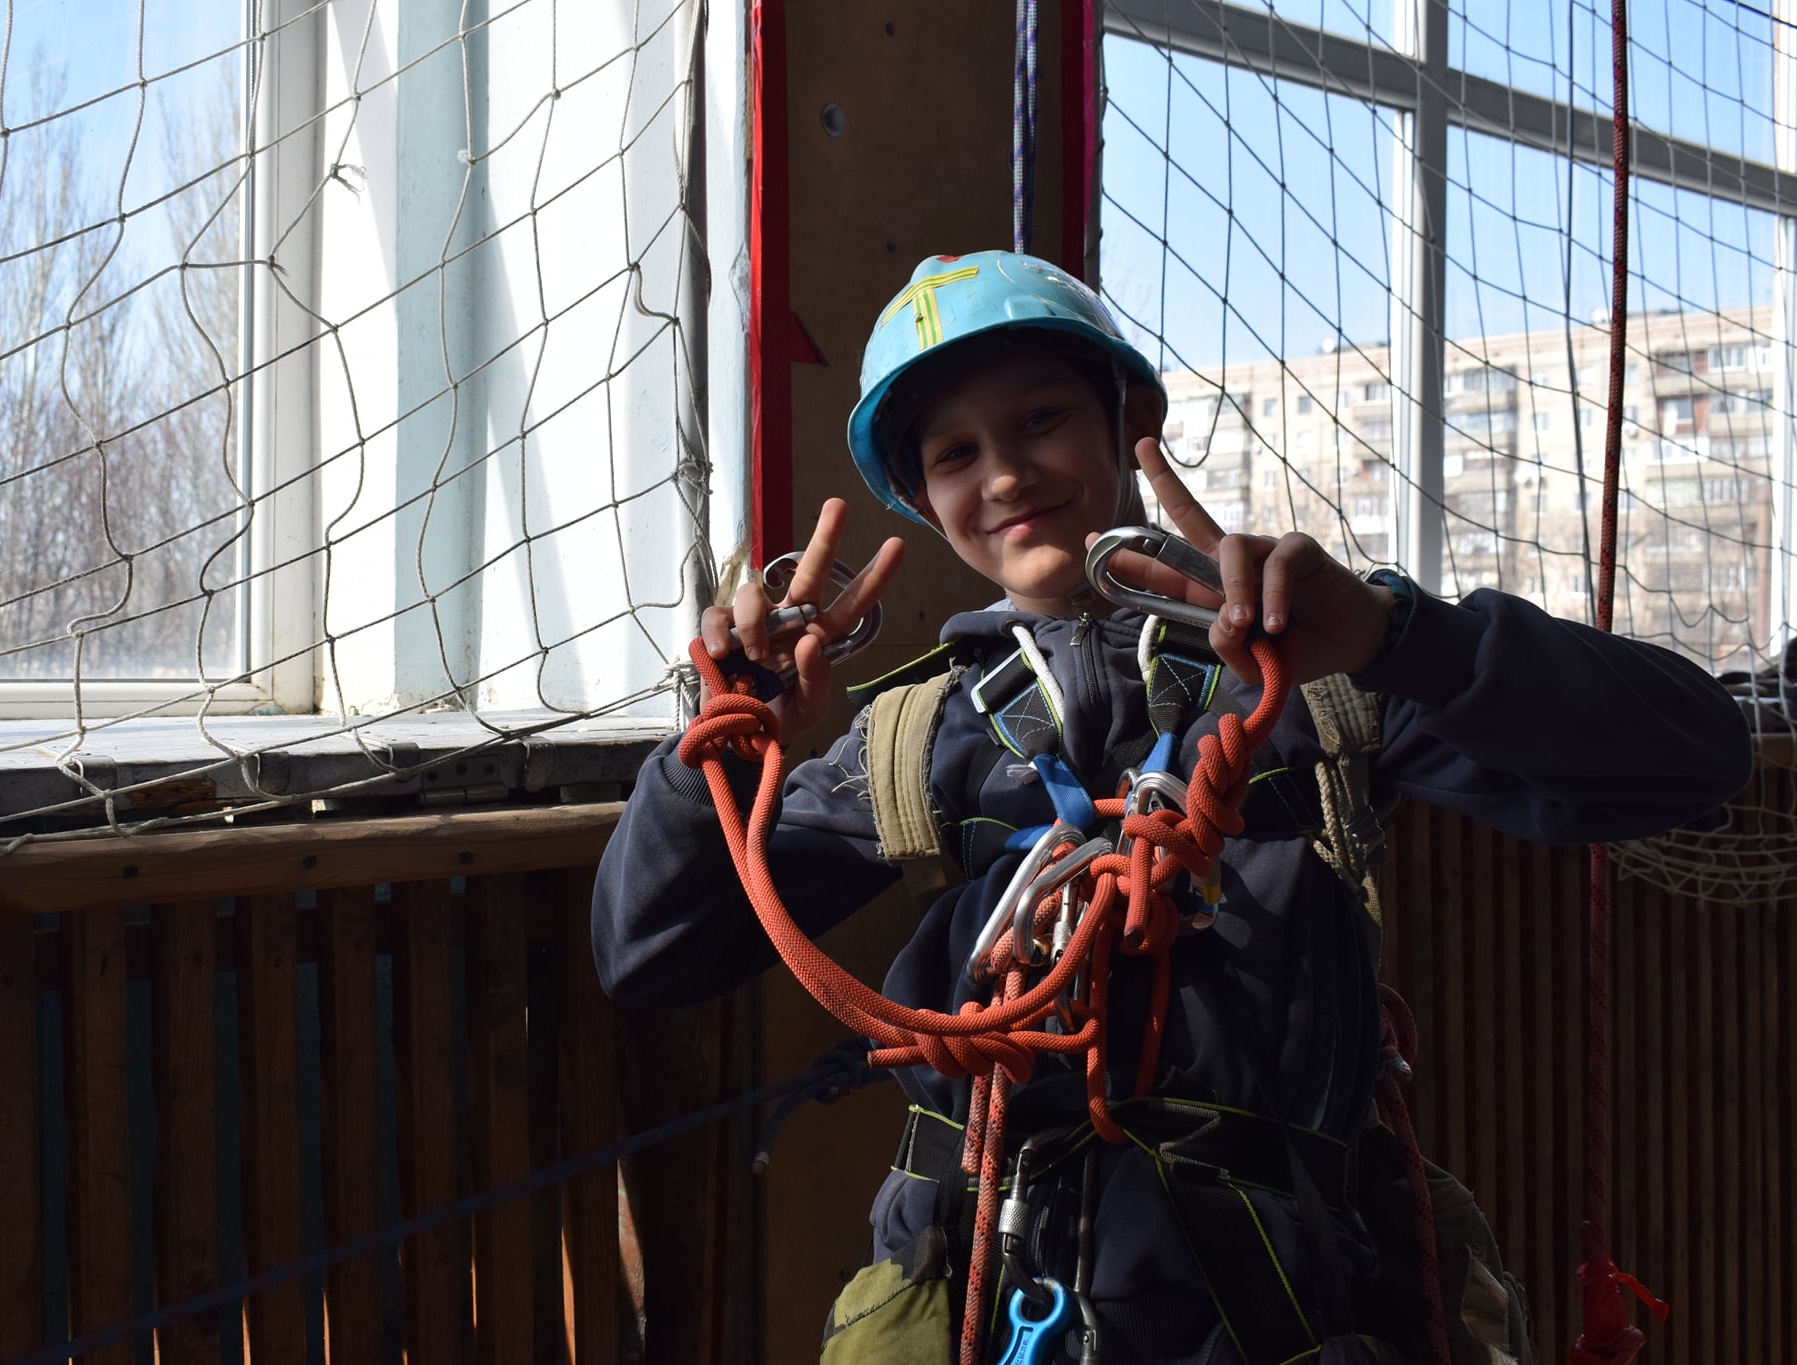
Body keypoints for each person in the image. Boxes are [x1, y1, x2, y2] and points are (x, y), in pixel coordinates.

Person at [591, 250, 1752, 1363]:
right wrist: (726, 743)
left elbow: (1691, 756)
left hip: (1278, 1305)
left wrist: (1399, 639)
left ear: (1124, 426)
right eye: (954, 453)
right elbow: (649, 949)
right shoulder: (918, 743)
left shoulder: (1300, 684)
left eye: (1040, 419)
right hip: (992, 1296)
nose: (1004, 476)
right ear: (925, 499)